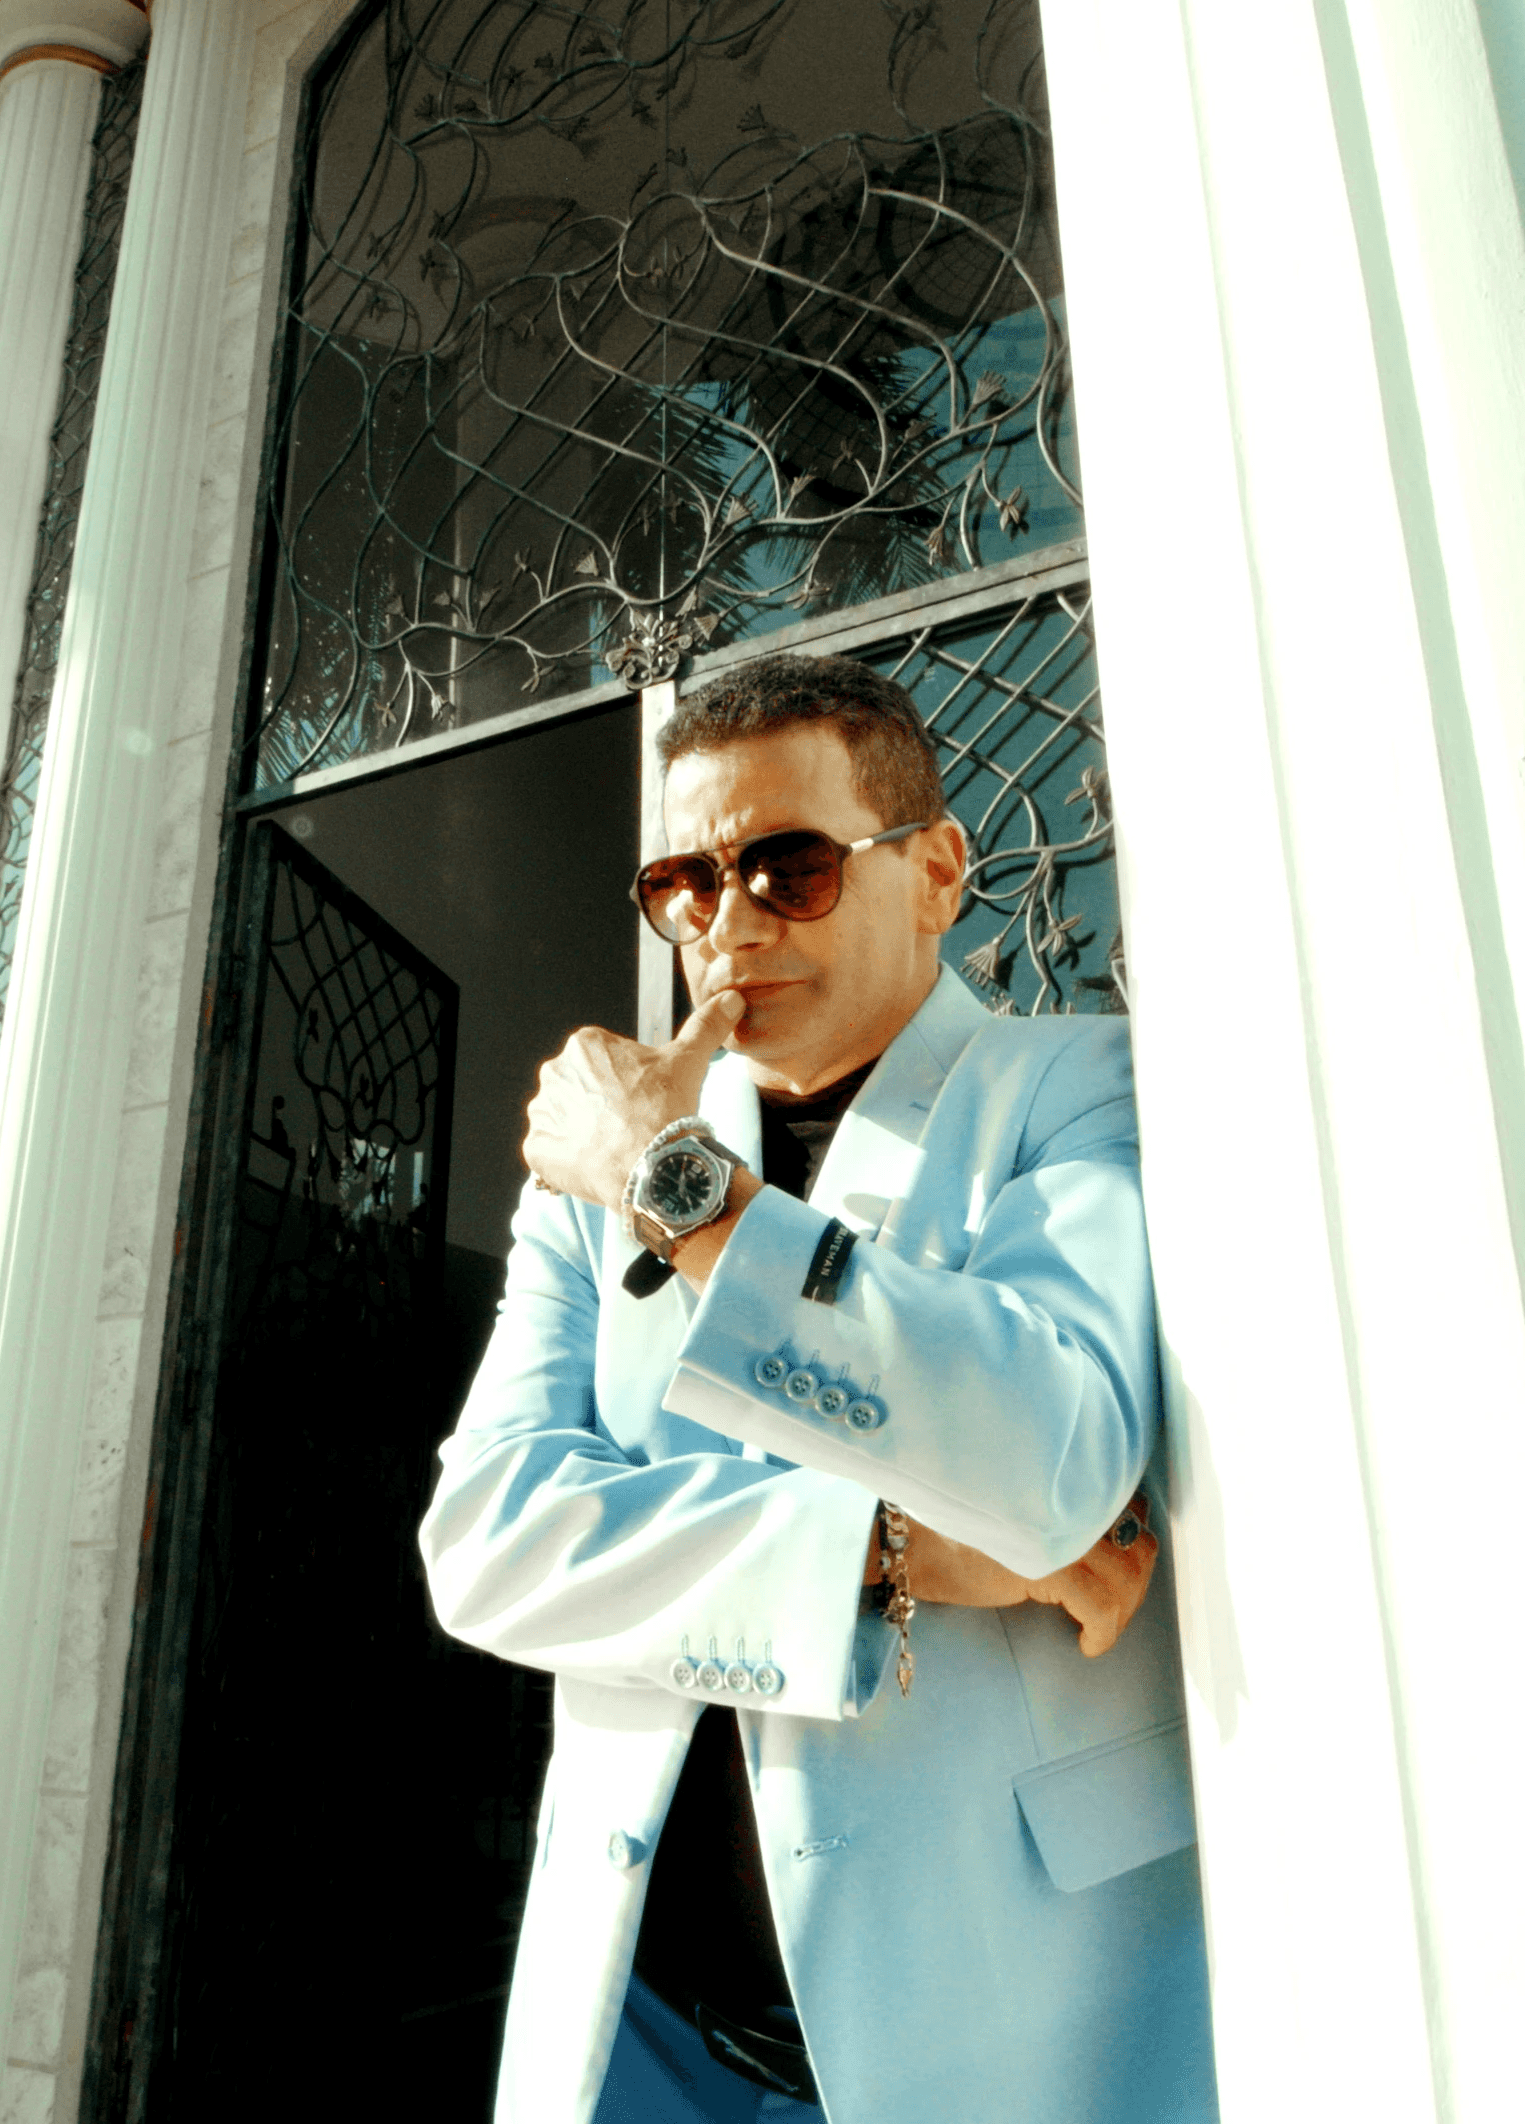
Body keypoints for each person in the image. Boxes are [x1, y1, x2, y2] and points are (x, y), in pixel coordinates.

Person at [418, 654, 1215, 2123]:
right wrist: (891, 1548)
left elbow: (1050, 1464)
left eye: (789, 868)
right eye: (686, 883)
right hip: (642, 2017)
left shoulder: (1078, 1088)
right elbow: (485, 1545)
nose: (729, 925)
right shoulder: (583, 1186)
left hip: (1008, 2021)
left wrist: (678, 1190)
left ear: (936, 871)